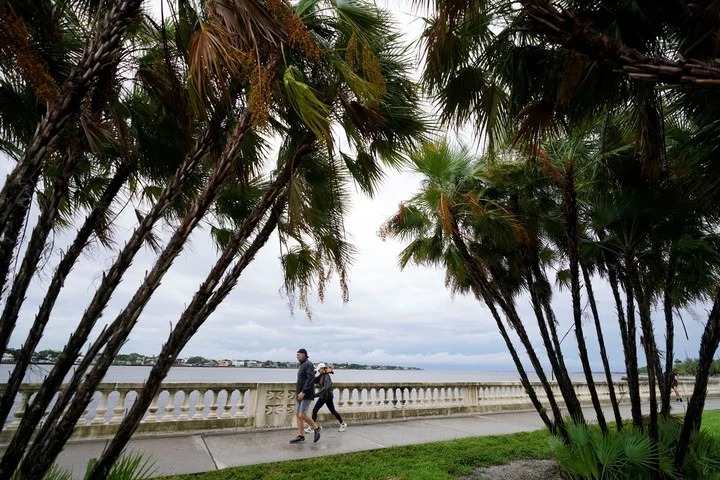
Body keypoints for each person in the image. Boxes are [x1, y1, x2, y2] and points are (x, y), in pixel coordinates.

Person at [304, 363, 347, 433]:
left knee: (319, 410)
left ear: (323, 369)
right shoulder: (321, 376)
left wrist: (315, 395)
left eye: (319, 370)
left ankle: (312, 428)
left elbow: (325, 388)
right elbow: (312, 380)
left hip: (327, 397)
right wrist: (314, 372)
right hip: (323, 397)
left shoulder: (327, 377)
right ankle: (342, 424)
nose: (318, 371)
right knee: (327, 411)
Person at [290, 348, 321, 443]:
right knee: (298, 415)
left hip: (306, 393)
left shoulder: (308, 364)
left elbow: (310, 379)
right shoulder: (302, 365)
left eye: (298, 354)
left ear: (304, 354)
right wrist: (299, 392)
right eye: (297, 355)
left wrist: (303, 391)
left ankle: (316, 428)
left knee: (302, 414)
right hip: (300, 393)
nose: (297, 356)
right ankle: (301, 436)